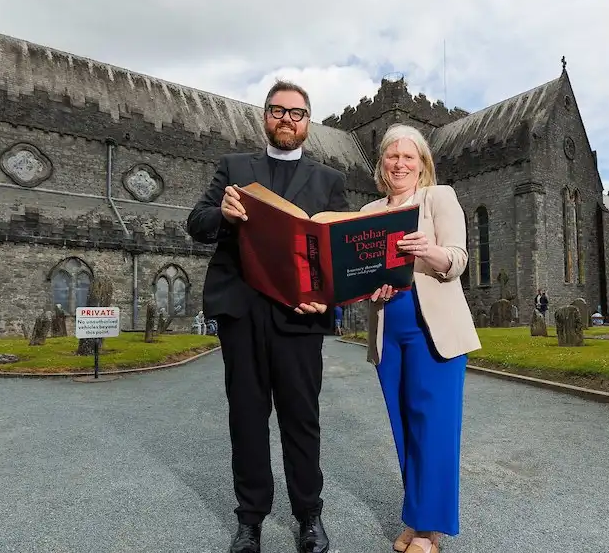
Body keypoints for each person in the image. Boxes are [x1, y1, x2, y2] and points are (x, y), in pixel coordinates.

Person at [187, 80, 349, 553]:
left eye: (297, 114)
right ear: (265, 117)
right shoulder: (235, 168)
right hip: (242, 311)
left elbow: (336, 254)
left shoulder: (328, 181)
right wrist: (223, 212)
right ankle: (250, 520)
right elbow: (195, 225)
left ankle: (309, 518)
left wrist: (328, 298)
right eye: (278, 111)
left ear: (307, 123)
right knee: (247, 418)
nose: (287, 120)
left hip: (299, 317)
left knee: (302, 419)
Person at [363, 124, 481, 553]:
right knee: (404, 428)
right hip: (387, 332)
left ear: (422, 164)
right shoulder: (369, 211)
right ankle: (415, 519)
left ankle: (430, 531)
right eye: (392, 155)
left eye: (408, 156)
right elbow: (358, 273)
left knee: (434, 425)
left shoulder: (438, 198)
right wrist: (368, 285)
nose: (399, 163)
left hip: (434, 328)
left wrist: (425, 250)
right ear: (382, 164)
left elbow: (457, 259)